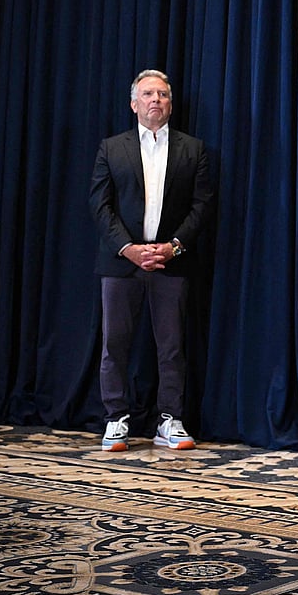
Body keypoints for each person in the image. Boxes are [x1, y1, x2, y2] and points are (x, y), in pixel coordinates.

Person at [89, 69, 214, 452]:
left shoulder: (193, 149)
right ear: (134, 104)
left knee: (172, 347)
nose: (155, 100)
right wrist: (128, 248)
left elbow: (202, 206)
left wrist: (173, 247)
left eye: (162, 94)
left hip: (170, 262)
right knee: (115, 344)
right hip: (121, 264)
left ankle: (169, 420)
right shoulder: (112, 148)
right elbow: (100, 205)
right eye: (147, 94)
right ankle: (115, 418)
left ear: (171, 104)